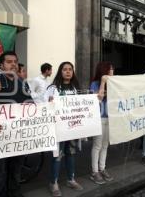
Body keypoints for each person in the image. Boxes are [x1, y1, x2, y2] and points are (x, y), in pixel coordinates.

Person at [0, 51, 32, 197]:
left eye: (15, 61)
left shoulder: (21, 82)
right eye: (9, 61)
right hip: (0, 133)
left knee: (17, 167)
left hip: (18, 134)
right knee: (0, 170)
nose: (13, 64)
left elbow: (30, 104)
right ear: (1, 65)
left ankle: (14, 192)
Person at [45, 61, 83, 197]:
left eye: (70, 69)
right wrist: (48, 104)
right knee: (57, 156)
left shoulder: (75, 88)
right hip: (58, 129)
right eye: (65, 69)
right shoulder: (53, 88)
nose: (68, 71)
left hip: (72, 129)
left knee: (71, 153)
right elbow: (46, 107)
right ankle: (53, 182)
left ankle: (71, 179)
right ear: (60, 72)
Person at [89, 62, 114, 185]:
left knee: (105, 145)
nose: (112, 71)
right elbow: (98, 99)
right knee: (97, 145)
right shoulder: (94, 84)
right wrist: (103, 83)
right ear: (104, 71)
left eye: (112, 69)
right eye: (110, 69)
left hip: (110, 118)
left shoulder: (114, 84)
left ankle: (102, 168)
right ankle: (94, 172)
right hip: (98, 118)